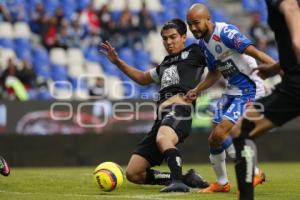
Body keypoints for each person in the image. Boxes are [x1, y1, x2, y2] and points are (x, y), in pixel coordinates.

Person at [100, 18, 209, 192]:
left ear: (183, 37)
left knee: (163, 139)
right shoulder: (164, 64)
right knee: (134, 173)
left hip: (181, 109)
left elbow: (218, 63)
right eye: (165, 39)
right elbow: (143, 78)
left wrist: (200, 89)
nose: (169, 42)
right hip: (161, 117)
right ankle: (184, 178)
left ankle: (178, 185)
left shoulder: (196, 51)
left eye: (173, 37)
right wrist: (117, 62)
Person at [185, 3, 276, 193]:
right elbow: (215, 73)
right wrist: (197, 89)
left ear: (208, 19)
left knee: (222, 133)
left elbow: (257, 53)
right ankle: (222, 183)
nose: (193, 28)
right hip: (232, 89)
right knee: (213, 139)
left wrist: (283, 69)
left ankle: (253, 173)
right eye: (189, 24)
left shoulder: (226, 33)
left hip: (250, 87)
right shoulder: (203, 44)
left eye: (196, 23)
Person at [231, 0, 300, 199]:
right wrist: (276, 67)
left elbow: (290, 8)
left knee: (241, 130)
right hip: (292, 80)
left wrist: (296, 44)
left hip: (295, 86)